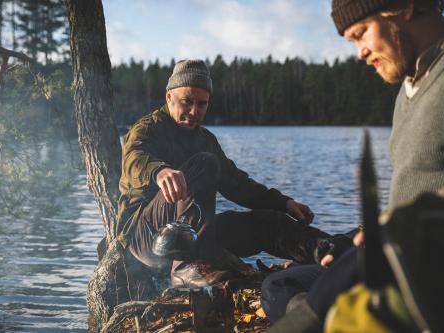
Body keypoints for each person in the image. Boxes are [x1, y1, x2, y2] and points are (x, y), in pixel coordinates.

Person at [262, 0, 444, 330]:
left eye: (361, 34)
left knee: (310, 312)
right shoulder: (410, 87)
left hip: (427, 268)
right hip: (392, 252)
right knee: (279, 287)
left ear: (404, 8)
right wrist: (358, 237)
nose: (360, 52)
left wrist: (396, 232)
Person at [115, 59, 345, 293]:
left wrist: (284, 202)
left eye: (202, 104)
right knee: (204, 163)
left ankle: (336, 250)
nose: (194, 111)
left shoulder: (205, 140)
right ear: (168, 97)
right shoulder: (146, 129)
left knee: (267, 222)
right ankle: (184, 268)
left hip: (197, 237)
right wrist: (159, 171)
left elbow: (236, 184)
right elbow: (135, 158)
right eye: (187, 102)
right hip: (144, 236)